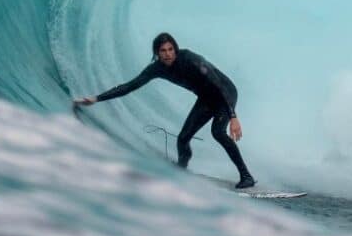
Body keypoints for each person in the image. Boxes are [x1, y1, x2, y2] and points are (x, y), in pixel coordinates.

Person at [74, 32, 255, 189]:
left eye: (170, 49)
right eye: (163, 51)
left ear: (175, 49)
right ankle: (181, 170)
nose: (168, 54)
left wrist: (233, 116)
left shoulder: (190, 59)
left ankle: (246, 176)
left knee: (217, 131)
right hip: (207, 98)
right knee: (183, 138)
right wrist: (96, 98)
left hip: (225, 92)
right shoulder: (157, 69)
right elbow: (129, 86)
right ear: (157, 53)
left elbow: (216, 82)